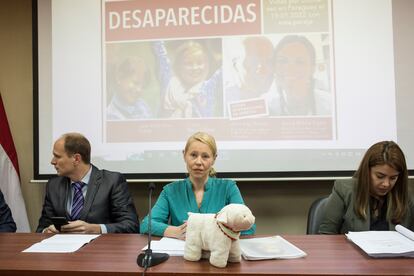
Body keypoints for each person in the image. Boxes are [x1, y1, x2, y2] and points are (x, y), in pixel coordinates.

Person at [140, 131, 255, 238]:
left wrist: (209, 229)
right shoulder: (170, 191)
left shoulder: (228, 188)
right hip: (183, 253)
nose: (198, 162)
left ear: (214, 159)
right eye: (193, 155)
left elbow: (248, 227)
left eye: (205, 156)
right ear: (184, 156)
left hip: (218, 253)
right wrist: (174, 231)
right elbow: (146, 225)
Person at [36, 133, 139, 234]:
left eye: (57, 156)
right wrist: (47, 231)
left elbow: (131, 225)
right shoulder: (54, 185)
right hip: (62, 248)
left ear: (76, 159)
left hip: (100, 248)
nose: (52, 161)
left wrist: (97, 229)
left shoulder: (112, 182)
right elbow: (42, 227)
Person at [319, 141, 414, 234]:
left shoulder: (405, 197)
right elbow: (326, 234)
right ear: (366, 171)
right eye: (380, 176)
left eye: (393, 178)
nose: (386, 184)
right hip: (351, 250)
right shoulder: (344, 190)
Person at [154, 40, 222, 118]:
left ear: (207, 65)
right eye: (188, 63)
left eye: (200, 63)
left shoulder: (209, 86)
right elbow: (159, 53)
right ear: (178, 66)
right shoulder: (169, 82)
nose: (195, 68)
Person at [270, 35, 331, 116]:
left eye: (299, 62)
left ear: (312, 69)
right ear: (274, 67)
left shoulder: (331, 105)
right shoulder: (268, 107)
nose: (290, 69)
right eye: (283, 61)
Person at [224, 36, 275, 104]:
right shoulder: (224, 100)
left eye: (269, 61)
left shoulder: (277, 103)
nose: (264, 71)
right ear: (235, 65)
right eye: (254, 61)